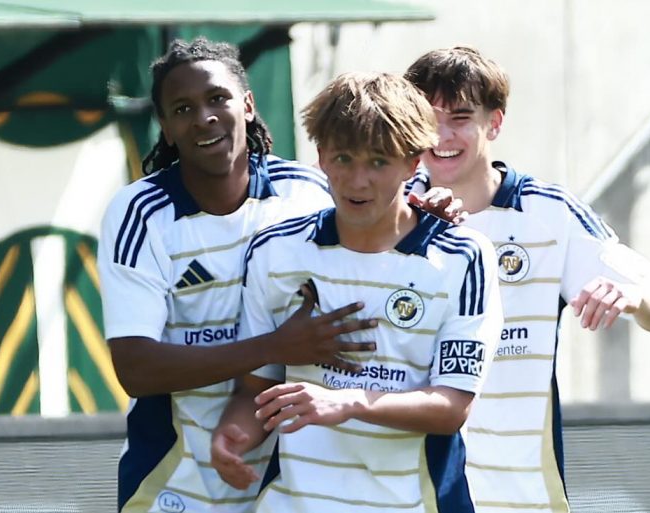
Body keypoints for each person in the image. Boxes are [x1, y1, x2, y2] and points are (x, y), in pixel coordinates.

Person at [97, 37, 381, 513]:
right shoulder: (139, 213)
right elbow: (136, 368)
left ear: (248, 105)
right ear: (165, 128)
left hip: (296, 486)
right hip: (175, 483)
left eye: (218, 98)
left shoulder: (308, 194)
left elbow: (387, 219)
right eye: (183, 108)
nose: (204, 117)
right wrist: (272, 348)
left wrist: (435, 207)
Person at [210, 72, 504, 513]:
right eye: (344, 158)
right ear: (322, 156)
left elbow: (451, 407)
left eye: (379, 162)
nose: (358, 180)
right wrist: (235, 434)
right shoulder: (276, 250)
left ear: (412, 163)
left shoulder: (463, 256)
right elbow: (257, 388)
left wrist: (347, 402)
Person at [405, 46, 650, 512]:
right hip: (408, 494)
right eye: (428, 118)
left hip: (520, 498)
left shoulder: (549, 212)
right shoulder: (390, 213)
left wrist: (635, 298)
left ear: (495, 123)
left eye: (460, 118)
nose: (441, 135)